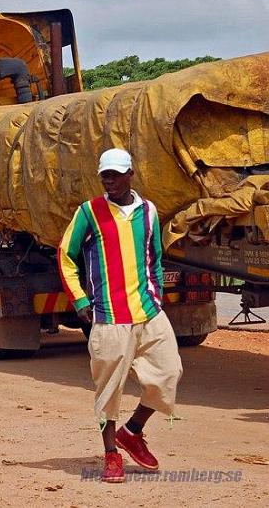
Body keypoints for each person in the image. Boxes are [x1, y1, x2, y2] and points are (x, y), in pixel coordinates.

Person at [58, 148, 183, 483]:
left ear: (131, 174)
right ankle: (111, 454)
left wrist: (156, 293)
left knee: (168, 373)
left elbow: (154, 255)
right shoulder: (89, 212)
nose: (109, 181)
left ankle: (133, 430)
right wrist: (80, 299)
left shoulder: (149, 211)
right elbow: (66, 256)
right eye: (105, 175)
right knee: (108, 391)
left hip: (148, 311)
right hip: (109, 316)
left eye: (115, 174)